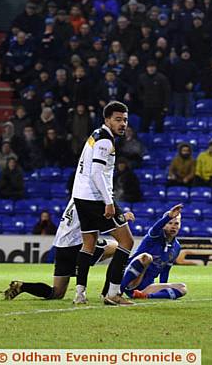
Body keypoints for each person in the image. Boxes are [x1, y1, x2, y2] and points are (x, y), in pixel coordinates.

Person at [72, 101, 134, 306]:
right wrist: (109, 202)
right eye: (118, 119)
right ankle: (113, 293)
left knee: (88, 244)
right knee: (127, 242)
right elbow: (97, 172)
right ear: (107, 119)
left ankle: (79, 293)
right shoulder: (105, 142)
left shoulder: (95, 135)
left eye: (125, 120)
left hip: (81, 196)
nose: (122, 124)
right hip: (96, 198)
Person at [3, 199, 128, 301]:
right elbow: (100, 222)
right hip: (76, 244)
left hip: (61, 247)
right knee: (119, 248)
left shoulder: (76, 198)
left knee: (57, 293)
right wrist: (123, 218)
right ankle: (108, 294)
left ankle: (22, 286)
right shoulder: (89, 200)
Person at [121, 204, 186, 300]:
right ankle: (118, 291)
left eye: (176, 223)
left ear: (180, 225)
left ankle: (144, 295)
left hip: (147, 286)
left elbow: (165, 270)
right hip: (131, 280)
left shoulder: (176, 247)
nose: (173, 227)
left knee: (182, 288)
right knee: (146, 257)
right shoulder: (154, 236)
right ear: (163, 225)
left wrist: (162, 287)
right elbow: (156, 228)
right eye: (169, 223)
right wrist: (168, 217)